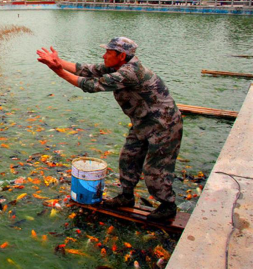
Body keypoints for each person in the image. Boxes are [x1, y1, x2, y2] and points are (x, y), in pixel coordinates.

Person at [36, 37, 183, 221]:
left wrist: (57, 70)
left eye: (108, 52)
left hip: (164, 125)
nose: (104, 55)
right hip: (142, 122)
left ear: (122, 56)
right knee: (128, 158)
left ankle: (167, 205)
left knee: (155, 169)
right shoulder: (117, 66)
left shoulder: (129, 73)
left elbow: (90, 85)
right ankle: (126, 197)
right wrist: (60, 62)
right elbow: (88, 70)